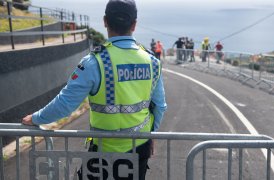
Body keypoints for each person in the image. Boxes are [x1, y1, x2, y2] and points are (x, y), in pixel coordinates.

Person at [22, 0, 167, 179]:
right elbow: (160, 106)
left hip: (104, 152)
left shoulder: (95, 62)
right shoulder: (152, 62)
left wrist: (36, 118)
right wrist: (150, 134)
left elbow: (65, 104)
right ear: (134, 25)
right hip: (140, 148)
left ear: (105, 21)